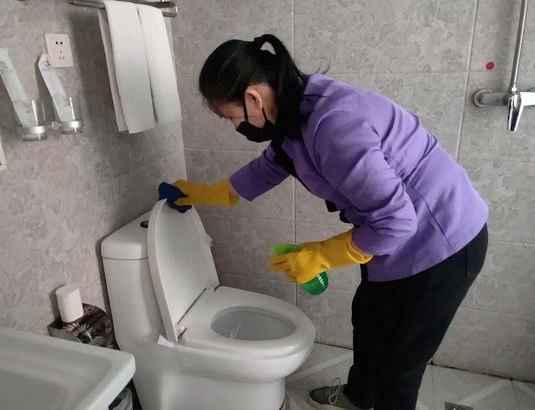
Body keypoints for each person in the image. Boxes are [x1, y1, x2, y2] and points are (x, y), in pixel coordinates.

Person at [159, 34, 489, 410]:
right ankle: (358, 397)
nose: (235, 127)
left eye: (231, 118)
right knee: (368, 320)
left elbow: (396, 221)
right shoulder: (296, 106)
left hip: (442, 244)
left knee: (398, 364)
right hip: (398, 242)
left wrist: (323, 254)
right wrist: (204, 193)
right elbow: (269, 167)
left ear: (253, 98)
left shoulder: (334, 125)